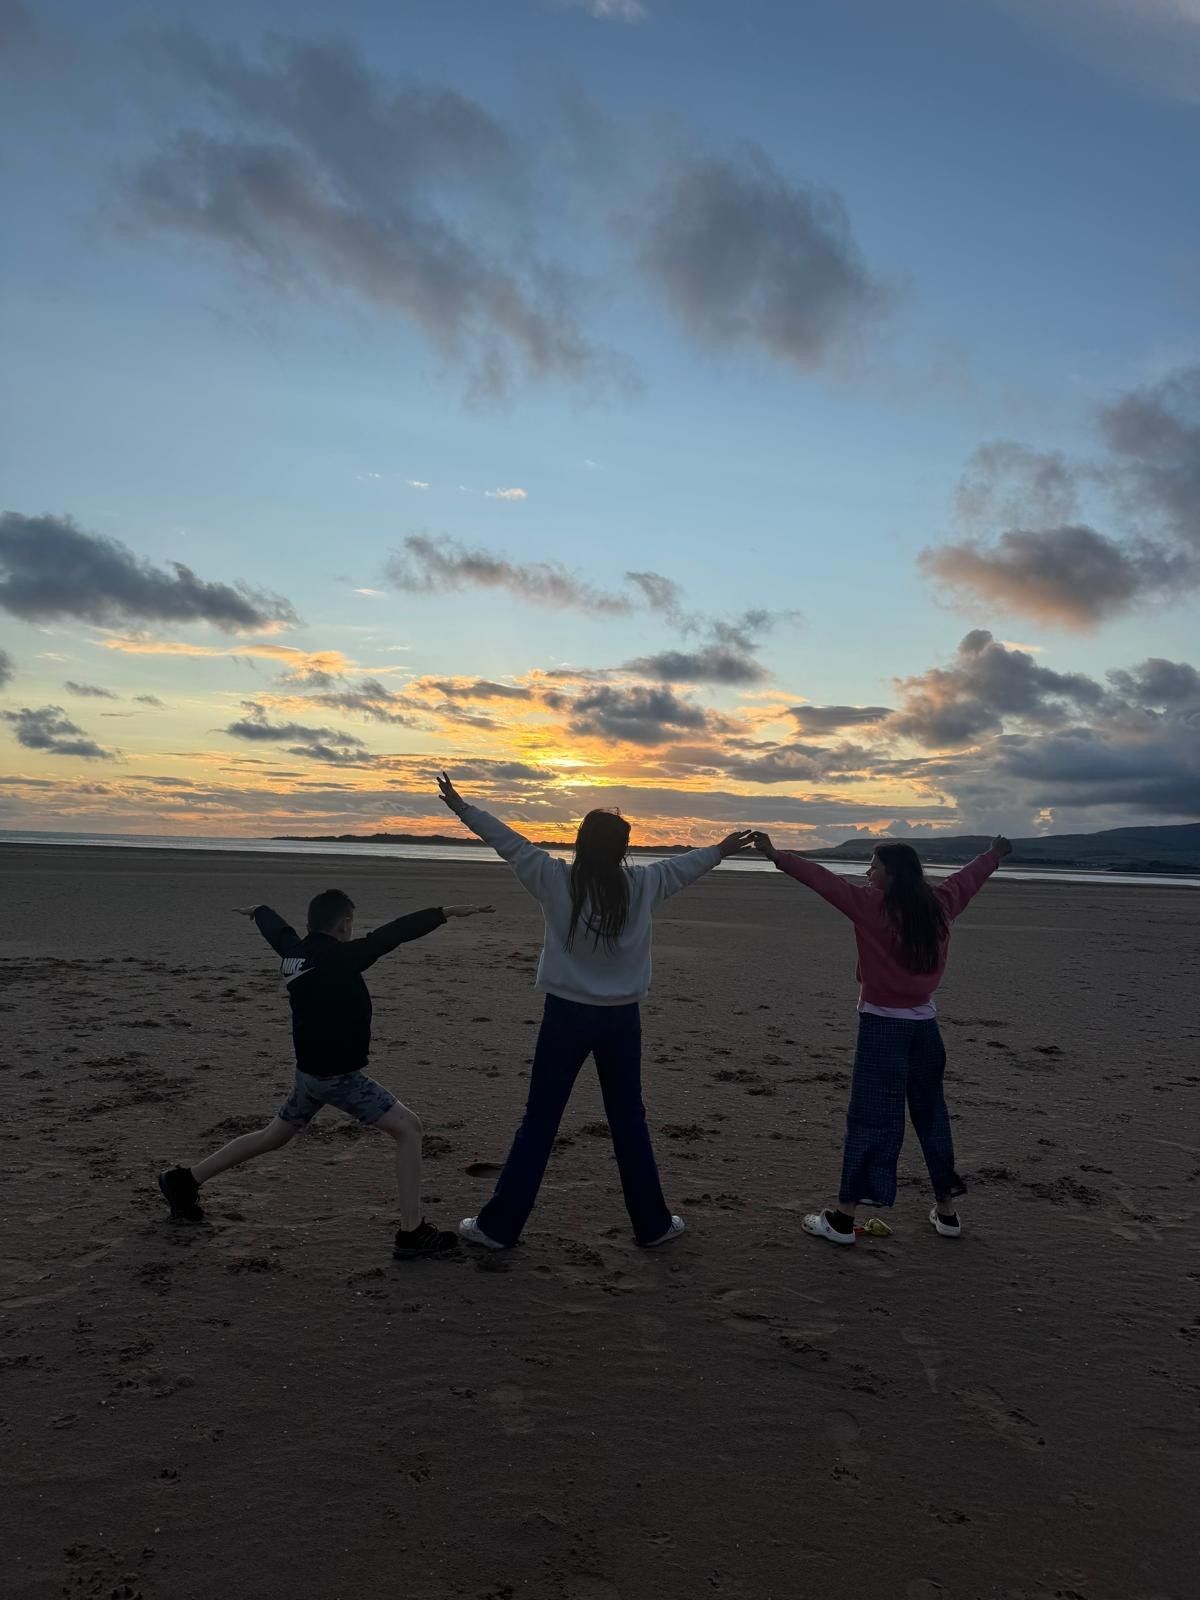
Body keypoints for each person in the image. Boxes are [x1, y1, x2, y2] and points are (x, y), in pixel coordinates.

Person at [437, 772, 752, 1250]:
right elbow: (687, 866)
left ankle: (499, 1228)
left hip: (566, 1015)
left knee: (540, 1122)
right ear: (623, 849)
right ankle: (652, 1225)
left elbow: (511, 844)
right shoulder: (644, 883)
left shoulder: (556, 879)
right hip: (622, 1019)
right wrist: (721, 849)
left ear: (581, 842)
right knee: (629, 1121)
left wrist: (464, 810)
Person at [156, 888, 494, 1259]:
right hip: (338, 1078)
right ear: (345, 924)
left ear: (311, 924)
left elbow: (277, 931)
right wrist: (444, 912)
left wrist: (259, 911)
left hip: (310, 1076)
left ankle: (184, 1180)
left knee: (274, 1136)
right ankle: (411, 1232)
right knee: (409, 1129)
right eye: (351, 924)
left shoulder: (294, 953)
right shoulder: (341, 958)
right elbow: (392, 934)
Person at [750, 831, 1012, 1245]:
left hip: (882, 1028)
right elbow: (969, 878)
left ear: (890, 874)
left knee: (870, 1119)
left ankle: (842, 1220)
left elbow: (822, 880)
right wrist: (994, 854)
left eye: (873, 866)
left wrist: (774, 854)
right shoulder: (939, 904)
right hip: (926, 1029)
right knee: (931, 1116)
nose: (867, 872)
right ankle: (947, 1213)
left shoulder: (874, 907)